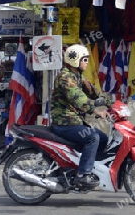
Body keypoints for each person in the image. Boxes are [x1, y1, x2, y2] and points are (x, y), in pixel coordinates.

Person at [51, 44, 110, 187]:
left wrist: (111, 103)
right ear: (75, 60)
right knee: (92, 137)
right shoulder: (65, 77)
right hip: (64, 123)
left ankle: (89, 168)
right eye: (84, 59)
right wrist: (96, 111)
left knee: (103, 138)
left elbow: (93, 92)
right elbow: (79, 99)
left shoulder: (77, 76)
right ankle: (82, 175)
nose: (87, 62)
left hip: (74, 122)